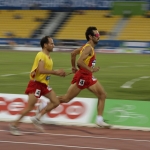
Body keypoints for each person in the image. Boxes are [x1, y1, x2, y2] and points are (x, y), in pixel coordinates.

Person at [32, 26, 110, 129]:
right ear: (90, 37)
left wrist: (73, 67)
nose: (98, 37)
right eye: (96, 35)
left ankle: (99, 120)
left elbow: (73, 54)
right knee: (66, 98)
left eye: (99, 35)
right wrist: (89, 69)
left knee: (102, 94)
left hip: (88, 76)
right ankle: (43, 108)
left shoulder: (86, 47)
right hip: (83, 77)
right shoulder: (88, 48)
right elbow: (80, 61)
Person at [9, 36, 66, 135]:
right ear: (45, 45)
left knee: (56, 102)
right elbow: (41, 70)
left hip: (44, 85)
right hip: (36, 84)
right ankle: (14, 125)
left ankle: (37, 118)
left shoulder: (49, 57)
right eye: (51, 43)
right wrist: (56, 72)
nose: (53, 45)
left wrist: (60, 74)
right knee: (29, 107)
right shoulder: (41, 55)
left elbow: (46, 73)